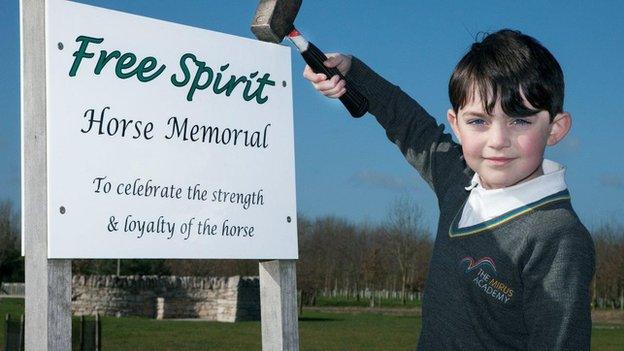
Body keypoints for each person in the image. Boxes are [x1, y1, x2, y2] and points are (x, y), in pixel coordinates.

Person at [304, 29, 595, 350]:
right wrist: (352, 71)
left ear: (555, 129)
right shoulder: (457, 179)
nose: (497, 140)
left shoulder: (558, 236)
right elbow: (407, 122)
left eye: (520, 121)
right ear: (456, 124)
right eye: (478, 121)